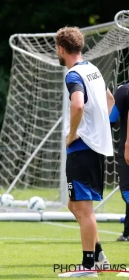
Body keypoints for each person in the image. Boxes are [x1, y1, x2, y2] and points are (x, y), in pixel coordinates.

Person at [55, 27, 114, 278]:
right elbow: (109, 100)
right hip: (94, 146)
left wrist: (73, 134)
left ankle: (88, 267)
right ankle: (99, 255)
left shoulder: (73, 74)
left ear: (61, 49)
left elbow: (77, 104)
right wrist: (99, 128)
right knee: (75, 204)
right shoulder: (93, 70)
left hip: (82, 147)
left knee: (83, 208)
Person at [109, 61, 129, 242]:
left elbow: (111, 120)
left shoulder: (123, 91)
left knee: (127, 191)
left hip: (127, 151)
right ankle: (127, 233)